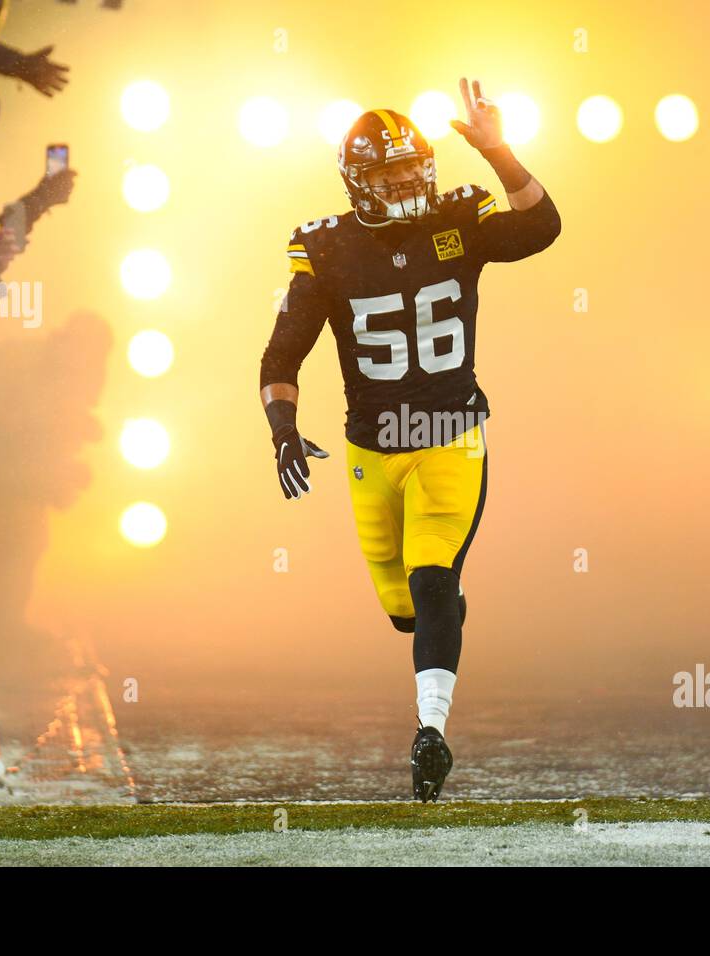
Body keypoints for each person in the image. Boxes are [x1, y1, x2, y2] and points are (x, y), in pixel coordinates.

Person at [258, 78, 561, 802]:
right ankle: (441, 618)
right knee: (406, 607)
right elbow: (282, 357)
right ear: (359, 183)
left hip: (451, 433)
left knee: (432, 580)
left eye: (411, 167)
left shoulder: (458, 215)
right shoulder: (326, 247)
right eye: (388, 173)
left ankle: (431, 731)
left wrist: (500, 152)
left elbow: (542, 227)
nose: (406, 182)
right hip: (371, 448)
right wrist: (283, 430)